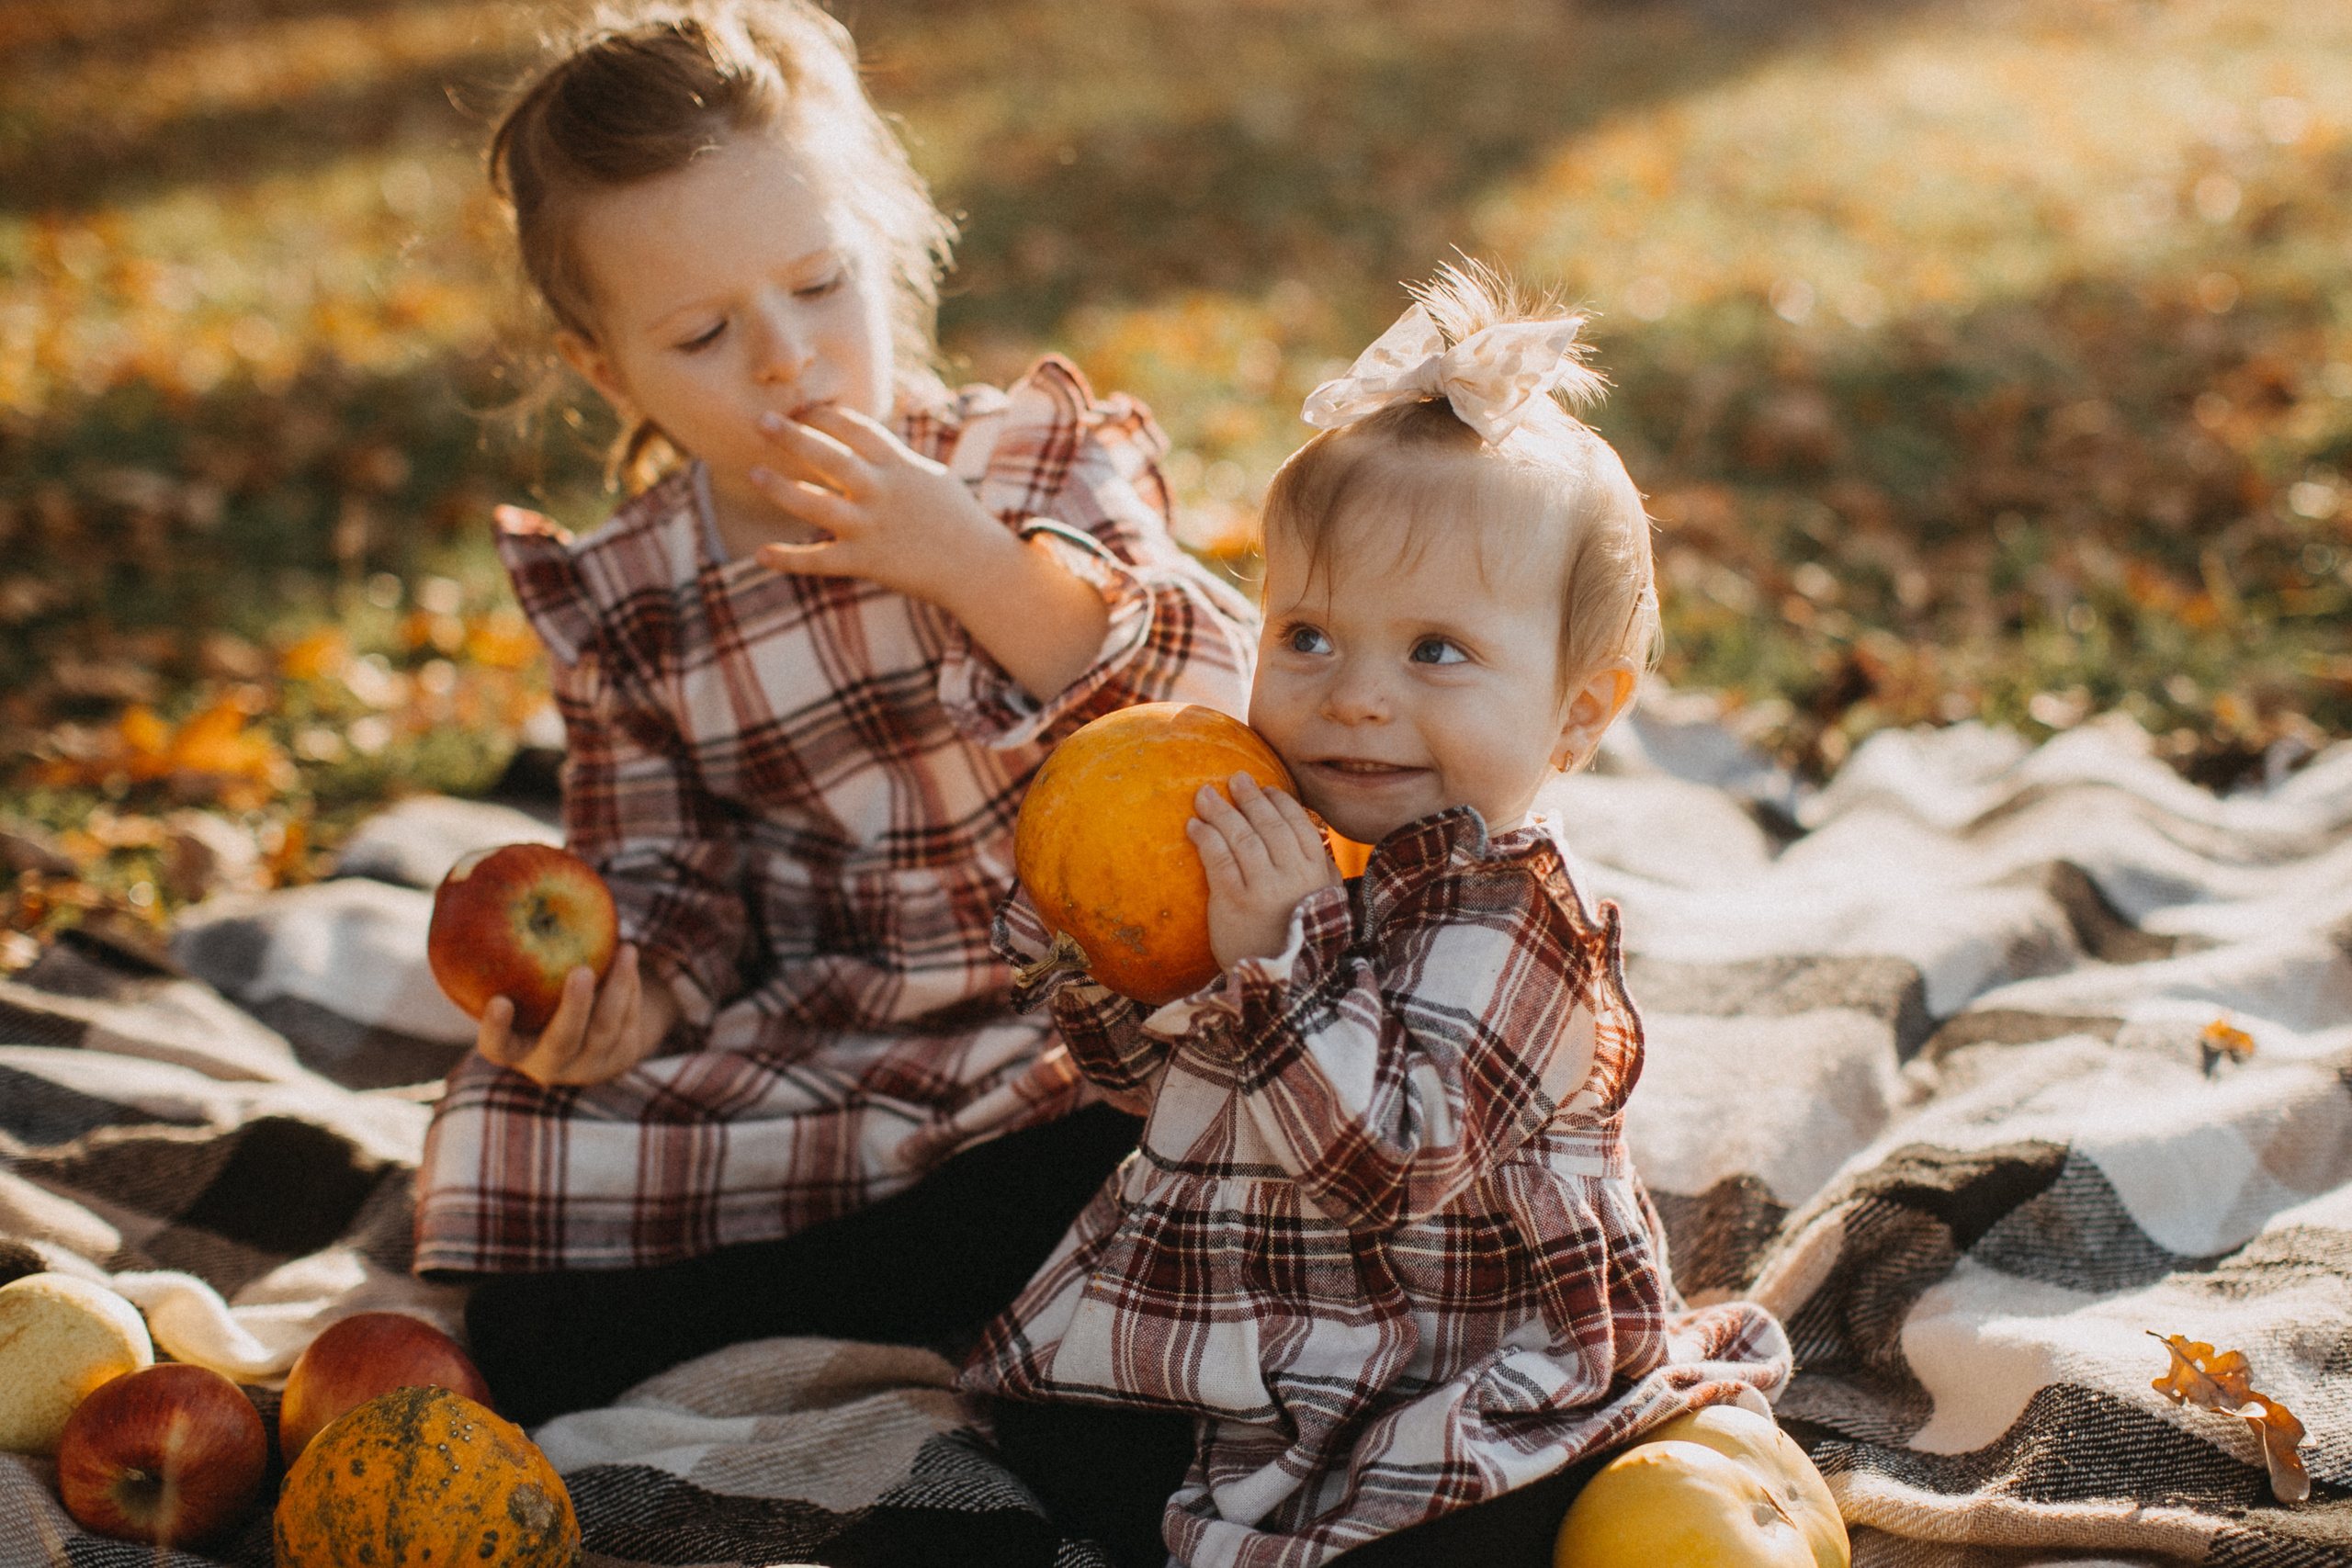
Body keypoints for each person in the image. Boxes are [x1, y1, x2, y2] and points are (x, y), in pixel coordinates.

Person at [409, 0, 1257, 1426]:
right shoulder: (633, 597)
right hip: (838, 1031)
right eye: (702, 333)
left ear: (891, 243)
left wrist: (979, 566)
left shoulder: (1018, 465)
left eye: (818, 285)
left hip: (1088, 1013)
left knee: (1211, 1100)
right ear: (609, 370)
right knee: (495, 1132)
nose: (787, 359)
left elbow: (1209, 696)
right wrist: (638, 997)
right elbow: (666, 871)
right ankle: (939, 1273)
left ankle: (787, 1296)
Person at [967, 263, 1792, 1567]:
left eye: (1435, 652)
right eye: (1307, 636)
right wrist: (1102, 958)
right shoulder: (1288, 838)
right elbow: (1146, 1086)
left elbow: (1385, 1169)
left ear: (1580, 710)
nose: (1353, 697)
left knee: (1451, 1518)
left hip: (1453, 1360)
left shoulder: (1520, 921)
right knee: (1046, 1433)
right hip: (1265, 1331)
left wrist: (1277, 963)